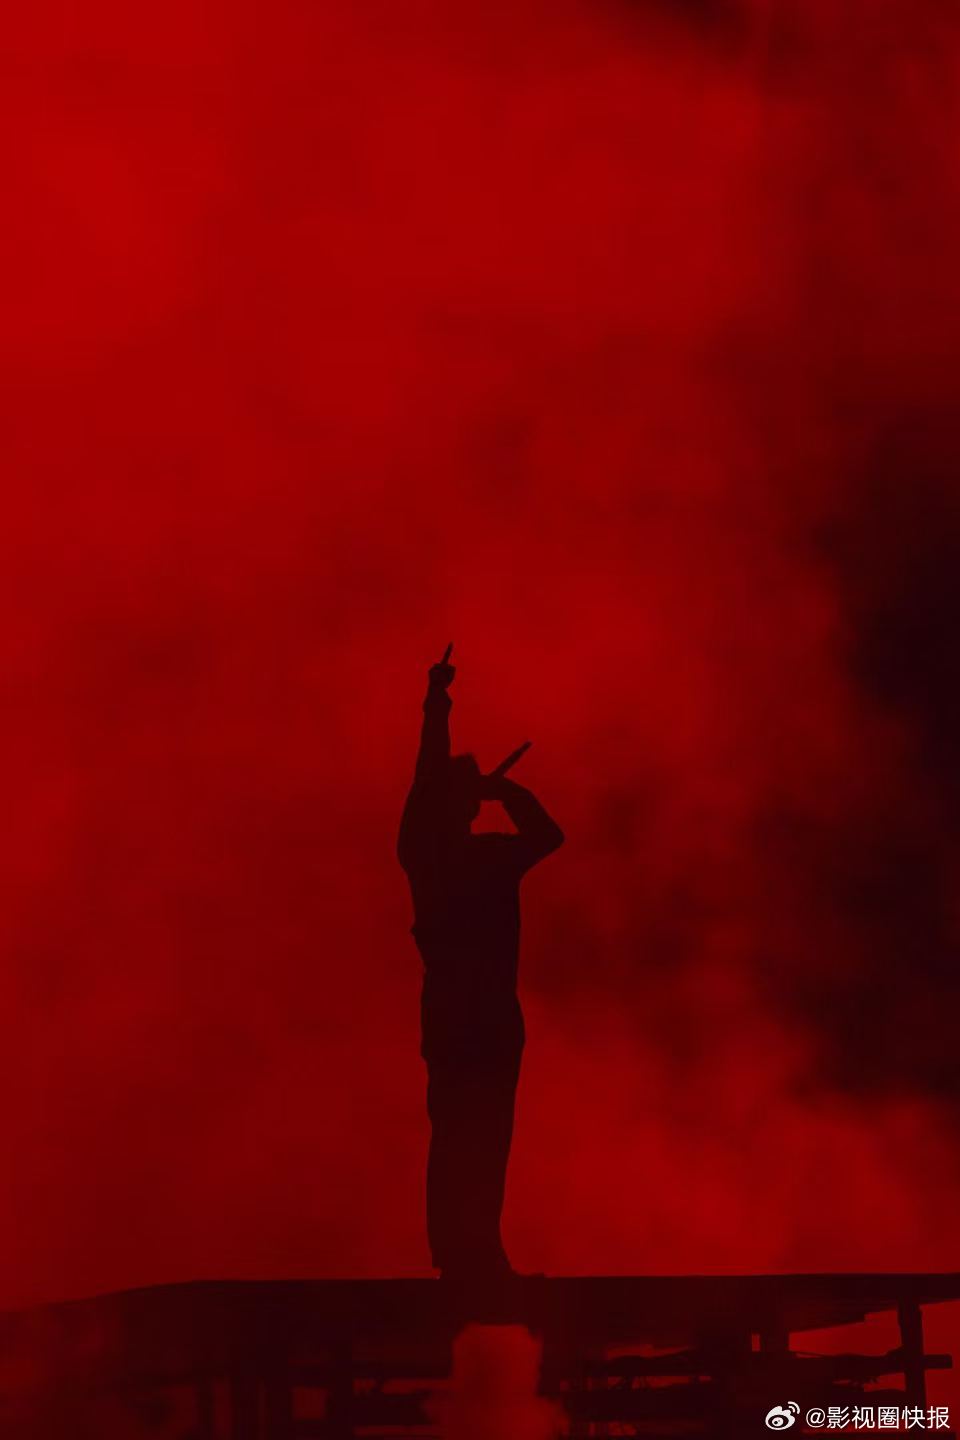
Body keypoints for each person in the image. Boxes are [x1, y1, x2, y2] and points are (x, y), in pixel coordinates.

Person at [397, 645, 564, 1281]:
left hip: (479, 1014)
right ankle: (462, 1254)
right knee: (468, 1132)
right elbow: (430, 776)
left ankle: (475, 1252)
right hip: (470, 1013)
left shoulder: (454, 856)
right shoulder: (445, 853)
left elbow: (548, 837)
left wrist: (440, 705)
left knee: (481, 1134)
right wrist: (438, 708)